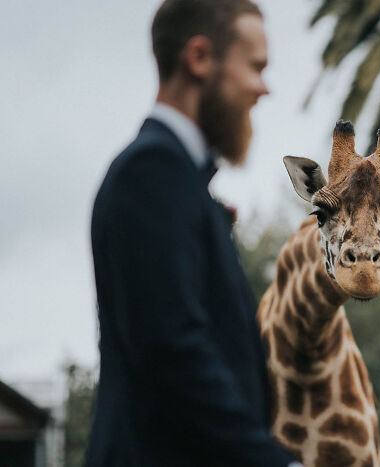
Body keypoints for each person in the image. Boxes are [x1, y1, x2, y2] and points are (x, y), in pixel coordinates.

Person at [87, 1, 298, 465]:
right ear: (199, 58)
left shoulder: (176, 178)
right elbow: (172, 355)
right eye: (255, 66)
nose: (264, 88)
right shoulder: (152, 172)